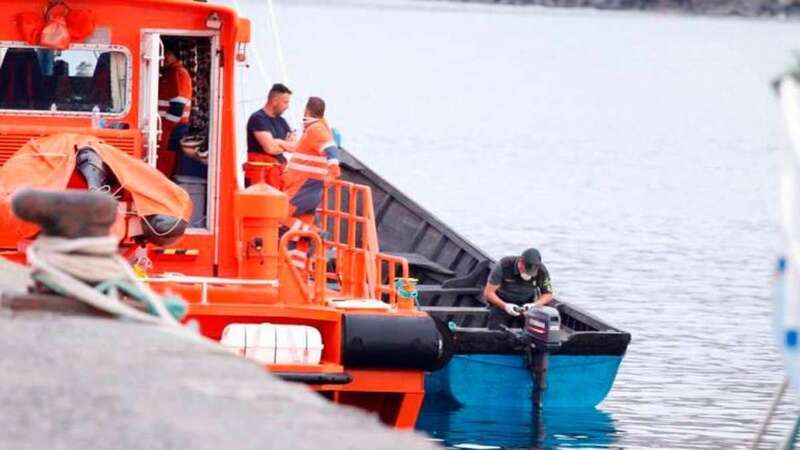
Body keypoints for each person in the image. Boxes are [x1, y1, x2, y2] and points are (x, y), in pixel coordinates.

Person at [281, 96, 340, 272]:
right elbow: (304, 150)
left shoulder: (316, 129)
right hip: (308, 187)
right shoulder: (315, 129)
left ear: (307, 110)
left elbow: (331, 150)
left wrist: (333, 172)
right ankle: (297, 272)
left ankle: (314, 232)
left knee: (278, 214)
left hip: (303, 187)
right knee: (297, 236)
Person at [483, 248, 554, 329]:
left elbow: (548, 294)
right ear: (520, 261)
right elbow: (488, 293)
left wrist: (534, 305)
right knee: (496, 330)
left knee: (532, 330)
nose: (527, 273)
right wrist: (505, 306)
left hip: (526, 304)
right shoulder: (504, 265)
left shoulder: (541, 270)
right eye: (525, 270)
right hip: (501, 302)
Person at [245, 83, 296, 188]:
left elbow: (295, 146)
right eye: (285, 102)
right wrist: (286, 145)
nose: (287, 106)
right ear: (274, 101)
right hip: (261, 179)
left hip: (278, 175)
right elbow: (270, 148)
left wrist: (279, 142)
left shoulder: (282, 122)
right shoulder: (258, 119)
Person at [156, 40, 192, 178]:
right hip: (168, 125)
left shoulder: (179, 73)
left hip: (173, 126)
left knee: (166, 160)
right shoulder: (169, 73)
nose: (164, 58)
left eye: (167, 54)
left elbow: (178, 105)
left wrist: (167, 127)